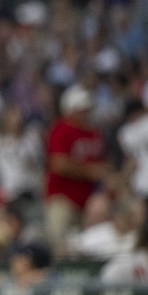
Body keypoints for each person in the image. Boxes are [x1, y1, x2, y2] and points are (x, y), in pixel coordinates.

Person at [45, 85, 106, 243]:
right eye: (83, 108)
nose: (87, 112)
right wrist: (90, 171)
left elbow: (103, 164)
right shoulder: (62, 128)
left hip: (88, 201)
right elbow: (59, 164)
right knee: (60, 245)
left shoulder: (94, 132)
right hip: (63, 199)